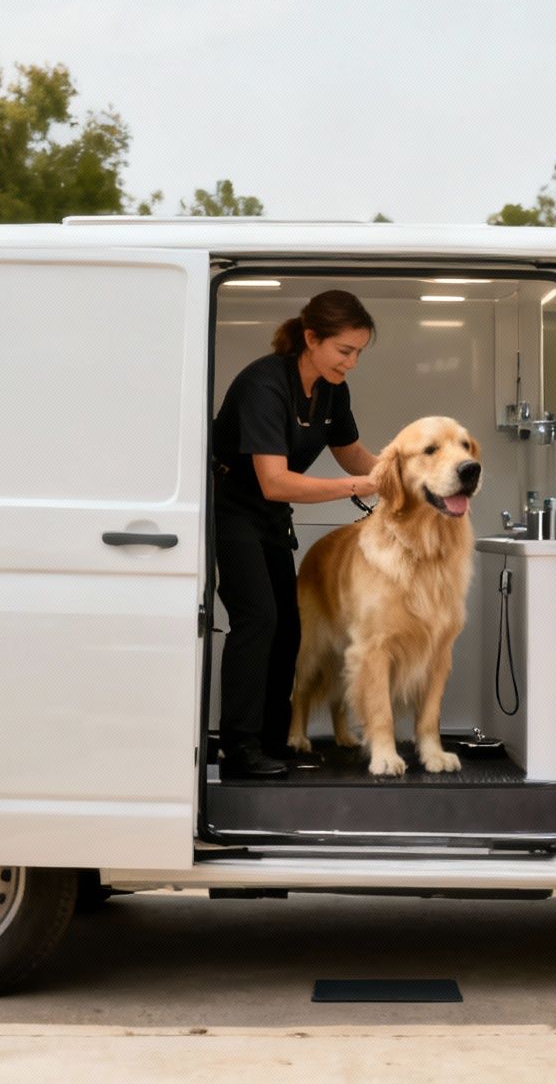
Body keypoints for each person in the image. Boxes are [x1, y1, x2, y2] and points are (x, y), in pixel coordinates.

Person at [211, 290, 381, 778]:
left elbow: (355, 457)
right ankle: (238, 749)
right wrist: (359, 485)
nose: (351, 363)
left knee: (288, 625)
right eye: (344, 351)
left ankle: (271, 740)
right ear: (311, 338)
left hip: (270, 516)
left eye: (358, 354)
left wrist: (408, 476)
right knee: (258, 619)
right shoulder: (264, 384)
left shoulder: (331, 390)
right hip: (233, 509)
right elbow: (275, 481)